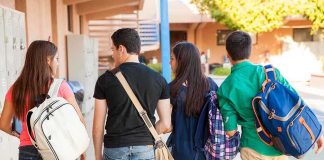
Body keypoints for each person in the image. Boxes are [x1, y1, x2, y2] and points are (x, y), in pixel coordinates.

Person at [217, 31, 324, 160]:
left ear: (228, 55)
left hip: (252, 148)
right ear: (249, 51)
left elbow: (231, 131)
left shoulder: (225, 88)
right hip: (282, 146)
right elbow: (297, 102)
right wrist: (315, 133)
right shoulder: (271, 73)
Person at [92, 28, 172, 160]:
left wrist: (97, 156)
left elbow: (97, 127)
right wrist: (145, 136)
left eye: (113, 49)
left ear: (121, 49)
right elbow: (165, 123)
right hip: (145, 149)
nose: (112, 54)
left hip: (114, 149)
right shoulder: (159, 79)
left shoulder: (105, 80)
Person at [0, 40, 85, 160]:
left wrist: (22, 136)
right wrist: (80, 148)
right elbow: (79, 120)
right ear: (48, 60)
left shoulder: (16, 89)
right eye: (57, 59)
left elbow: (3, 124)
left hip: (27, 150)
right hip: (57, 148)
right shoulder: (60, 86)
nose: (58, 63)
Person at [167, 42, 218, 160]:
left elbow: (167, 126)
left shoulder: (172, 89)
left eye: (172, 59)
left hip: (180, 151)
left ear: (182, 62)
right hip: (206, 151)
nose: (170, 62)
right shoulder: (210, 84)